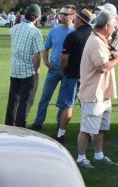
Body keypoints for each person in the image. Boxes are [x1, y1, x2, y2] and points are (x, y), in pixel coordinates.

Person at [76, 10, 118, 169]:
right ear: (107, 26)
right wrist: (117, 59)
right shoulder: (95, 42)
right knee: (86, 129)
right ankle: (81, 159)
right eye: (114, 26)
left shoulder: (101, 40)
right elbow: (102, 67)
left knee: (101, 128)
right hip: (93, 93)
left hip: (103, 93)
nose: (115, 30)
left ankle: (99, 155)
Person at [30, 5, 76, 136]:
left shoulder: (75, 32)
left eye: (66, 14)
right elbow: (45, 48)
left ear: (73, 16)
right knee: (44, 97)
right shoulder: (54, 31)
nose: (62, 16)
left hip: (68, 72)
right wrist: (46, 62)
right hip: (54, 69)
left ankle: (59, 124)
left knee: (63, 102)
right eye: (61, 13)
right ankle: (38, 122)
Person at [5, 4, 44, 128]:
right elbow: (37, 55)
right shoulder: (35, 32)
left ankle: (9, 125)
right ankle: (20, 127)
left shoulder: (15, 28)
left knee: (13, 100)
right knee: (25, 101)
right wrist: (37, 69)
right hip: (28, 71)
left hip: (15, 69)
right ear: (36, 17)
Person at [58, 9, 94, 143]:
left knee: (67, 106)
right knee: (87, 106)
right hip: (89, 78)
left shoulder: (72, 36)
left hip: (72, 75)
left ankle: (61, 134)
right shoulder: (95, 36)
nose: (73, 20)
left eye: (76, 18)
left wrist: (62, 71)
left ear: (80, 20)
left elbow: (64, 59)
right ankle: (89, 134)